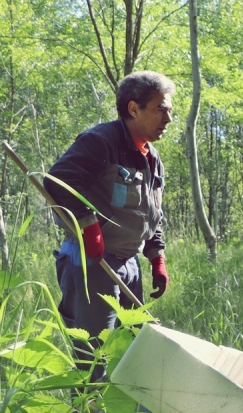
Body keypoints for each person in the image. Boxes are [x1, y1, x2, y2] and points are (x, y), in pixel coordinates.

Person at [45, 71, 174, 379]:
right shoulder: (100, 142)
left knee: (133, 349)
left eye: (169, 110)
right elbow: (56, 183)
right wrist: (88, 226)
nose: (168, 118)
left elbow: (152, 212)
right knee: (93, 356)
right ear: (134, 109)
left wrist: (157, 257)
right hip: (91, 263)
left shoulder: (152, 158)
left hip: (129, 264)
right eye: (161, 109)